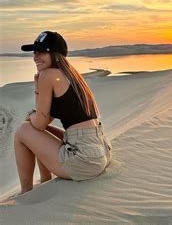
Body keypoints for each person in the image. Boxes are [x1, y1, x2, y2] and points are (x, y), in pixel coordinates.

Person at [14, 31, 112, 195]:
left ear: (55, 54)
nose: (36, 56)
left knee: (23, 131)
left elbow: (38, 121)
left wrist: (31, 113)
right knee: (37, 131)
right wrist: (38, 95)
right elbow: (42, 123)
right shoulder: (71, 75)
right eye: (35, 52)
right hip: (100, 152)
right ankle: (45, 181)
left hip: (84, 160)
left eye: (42, 51)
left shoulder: (48, 74)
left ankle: (26, 192)